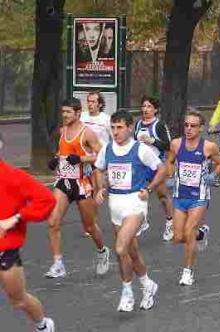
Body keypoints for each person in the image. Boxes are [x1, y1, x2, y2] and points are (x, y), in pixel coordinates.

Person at [94, 111, 165, 312]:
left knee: (119, 248)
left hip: (135, 203)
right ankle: (147, 285)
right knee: (130, 253)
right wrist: (101, 188)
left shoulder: (140, 149)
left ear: (130, 128)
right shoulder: (107, 149)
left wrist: (149, 189)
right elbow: (99, 169)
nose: (115, 132)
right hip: (115, 203)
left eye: (119, 127)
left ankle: (127, 292)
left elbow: (162, 169)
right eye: (113, 127)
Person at [45, 97, 110, 279]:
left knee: (89, 227)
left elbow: (102, 155)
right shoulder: (63, 130)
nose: (64, 115)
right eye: (63, 112)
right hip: (64, 181)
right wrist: (56, 159)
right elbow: (62, 151)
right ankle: (58, 264)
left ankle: (102, 250)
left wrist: (81, 159)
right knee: (53, 222)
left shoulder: (87, 133)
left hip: (82, 183)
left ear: (78, 113)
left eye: (68, 112)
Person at [0, 134, 57, 332]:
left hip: (5, 252)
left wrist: (15, 218)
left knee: (18, 301)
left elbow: (47, 200)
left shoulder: (13, 177)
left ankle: (43, 326)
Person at [165, 111, 220, 286]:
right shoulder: (176, 144)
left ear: (200, 128)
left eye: (193, 126)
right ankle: (202, 233)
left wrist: (212, 176)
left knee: (188, 231)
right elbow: (169, 161)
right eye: (186, 125)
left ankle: (187, 271)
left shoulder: (209, 147)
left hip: (199, 196)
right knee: (177, 237)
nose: (189, 129)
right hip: (179, 195)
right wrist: (170, 175)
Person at [133, 95, 173, 241]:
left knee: (162, 196)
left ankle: (170, 222)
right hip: (141, 165)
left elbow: (169, 145)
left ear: (155, 110)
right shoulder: (138, 124)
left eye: (149, 106)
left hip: (156, 164)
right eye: (144, 106)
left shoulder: (159, 125)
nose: (145, 109)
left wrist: (152, 140)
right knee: (137, 194)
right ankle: (142, 221)